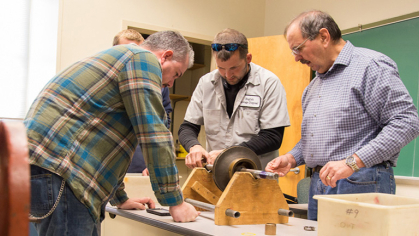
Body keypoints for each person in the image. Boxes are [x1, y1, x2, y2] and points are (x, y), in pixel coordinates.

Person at [26, 30, 199, 236]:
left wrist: (120, 198)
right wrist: (174, 201)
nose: (170, 84)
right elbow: (153, 133)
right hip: (63, 173)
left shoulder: (121, 59)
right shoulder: (143, 59)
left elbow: (107, 145)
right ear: (166, 56)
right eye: (176, 74)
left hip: (45, 171)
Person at [265, 10, 419, 221]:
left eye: (298, 49)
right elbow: (317, 138)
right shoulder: (312, 87)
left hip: (361, 182)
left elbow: (407, 122)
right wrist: (292, 158)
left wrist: (352, 163)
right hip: (319, 183)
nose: (296, 58)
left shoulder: (370, 67)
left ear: (324, 37)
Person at [178, 28, 290, 169]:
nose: (227, 75)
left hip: (255, 176)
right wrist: (194, 147)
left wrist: (229, 154)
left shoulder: (269, 83)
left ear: (248, 59)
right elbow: (187, 127)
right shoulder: (206, 83)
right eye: (221, 68)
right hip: (217, 175)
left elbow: (273, 137)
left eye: (234, 68)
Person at [112, 29, 173, 176]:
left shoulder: (159, 86)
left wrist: (154, 162)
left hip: (141, 161)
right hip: (112, 157)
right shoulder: (109, 82)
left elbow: (162, 124)